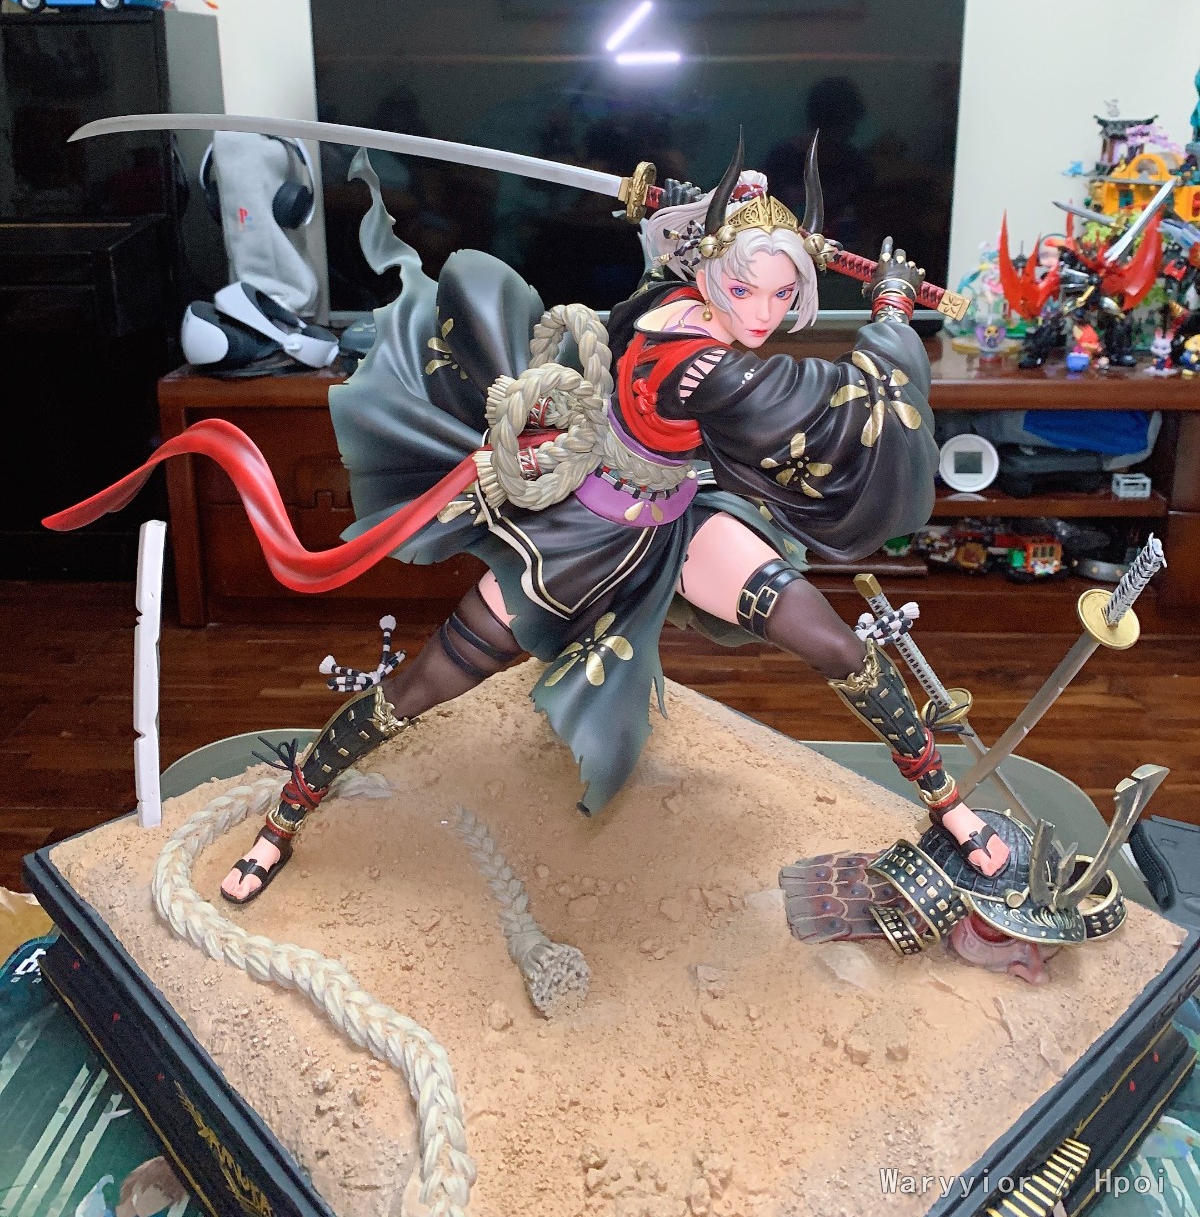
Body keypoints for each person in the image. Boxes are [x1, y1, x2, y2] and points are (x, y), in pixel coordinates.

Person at [206, 135, 1010, 902]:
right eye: (743, 289)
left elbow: (673, 257)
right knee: (426, 684)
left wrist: (701, 210)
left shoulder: (670, 294)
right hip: (578, 538)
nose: (763, 313)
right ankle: (286, 815)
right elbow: (840, 410)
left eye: (782, 292)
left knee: (833, 643)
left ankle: (946, 801)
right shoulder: (701, 363)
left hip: (680, 518)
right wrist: (892, 308)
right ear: (710, 273)